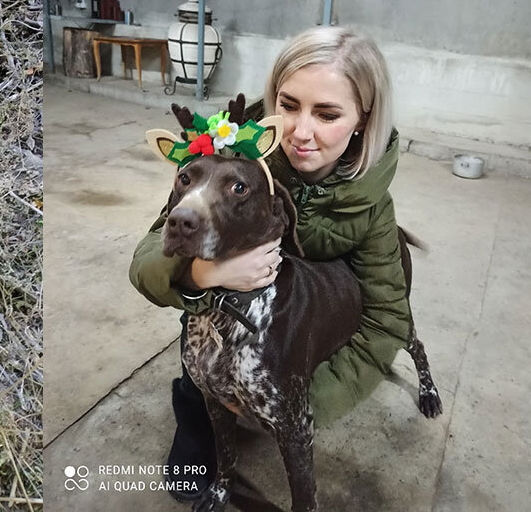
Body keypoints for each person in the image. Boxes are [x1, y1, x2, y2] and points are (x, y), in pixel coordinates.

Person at [129, 26, 411, 501]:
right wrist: (204, 277)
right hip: (222, 306)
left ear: (363, 119)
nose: (301, 132)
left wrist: (300, 401)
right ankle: (196, 405)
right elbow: (148, 256)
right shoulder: (226, 152)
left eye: (327, 113)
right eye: (289, 104)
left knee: (281, 406)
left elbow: (387, 320)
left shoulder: (372, 209)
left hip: (300, 315)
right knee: (201, 330)